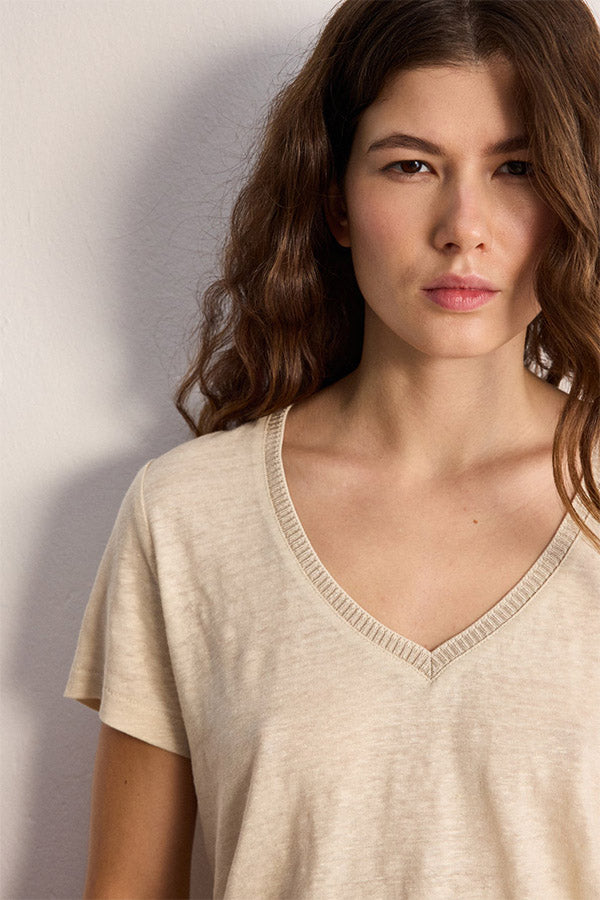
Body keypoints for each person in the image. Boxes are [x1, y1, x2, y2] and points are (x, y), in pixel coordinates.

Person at [65, 0, 600, 896]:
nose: (463, 226)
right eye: (411, 165)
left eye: (519, 167)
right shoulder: (190, 517)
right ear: (336, 201)